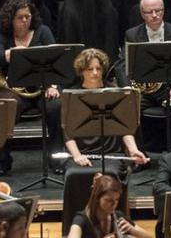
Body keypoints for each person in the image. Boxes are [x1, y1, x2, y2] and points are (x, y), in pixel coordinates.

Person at [61, 49, 148, 220]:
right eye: (89, 69)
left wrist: (133, 149)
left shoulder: (115, 92)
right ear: (81, 71)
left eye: (98, 69)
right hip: (83, 154)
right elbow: (67, 133)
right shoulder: (71, 95)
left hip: (111, 153)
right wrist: (77, 156)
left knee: (110, 175)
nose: (94, 73)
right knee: (72, 175)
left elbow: (125, 128)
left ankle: (116, 223)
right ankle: (77, 224)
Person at [0, 0, 59, 176]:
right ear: (10, 19)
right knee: (3, 107)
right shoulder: (3, 37)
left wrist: (54, 85)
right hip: (15, 90)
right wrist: (9, 53)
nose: (25, 20)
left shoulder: (42, 32)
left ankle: (56, 159)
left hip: (43, 87)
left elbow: (56, 56)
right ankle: (4, 160)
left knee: (56, 106)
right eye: (20, 17)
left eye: (28, 16)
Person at [124, 0, 171, 152]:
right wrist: (129, 88)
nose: (155, 15)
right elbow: (123, 64)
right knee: (127, 107)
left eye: (158, 11)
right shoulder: (132, 34)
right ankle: (138, 156)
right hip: (143, 91)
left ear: (164, 11)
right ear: (142, 14)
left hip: (169, 89)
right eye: (149, 12)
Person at [68, 174, 150, 238]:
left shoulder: (118, 216)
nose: (114, 204)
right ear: (97, 198)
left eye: (117, 199)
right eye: (109, 200)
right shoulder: (82, 219)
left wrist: (132, 230)